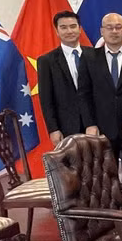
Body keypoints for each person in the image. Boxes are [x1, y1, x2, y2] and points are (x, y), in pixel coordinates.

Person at [78, 13, 122, 214]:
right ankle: (110, 217)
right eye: (110, 27)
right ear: (102, 31)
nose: (114, 31)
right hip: (102, 127)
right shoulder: (90, 57)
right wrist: (90, 123)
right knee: (103, 175)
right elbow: (83, 93)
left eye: (119, 27)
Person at [37, 10, 88, 145]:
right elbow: (46, 99)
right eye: (63, 27)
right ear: (57, 31)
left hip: (95, 125)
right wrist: (53, 129)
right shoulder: (46, 61)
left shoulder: (94, 55)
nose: (69, 31)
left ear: (80, 29)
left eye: (73, 26)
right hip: (66, 126)